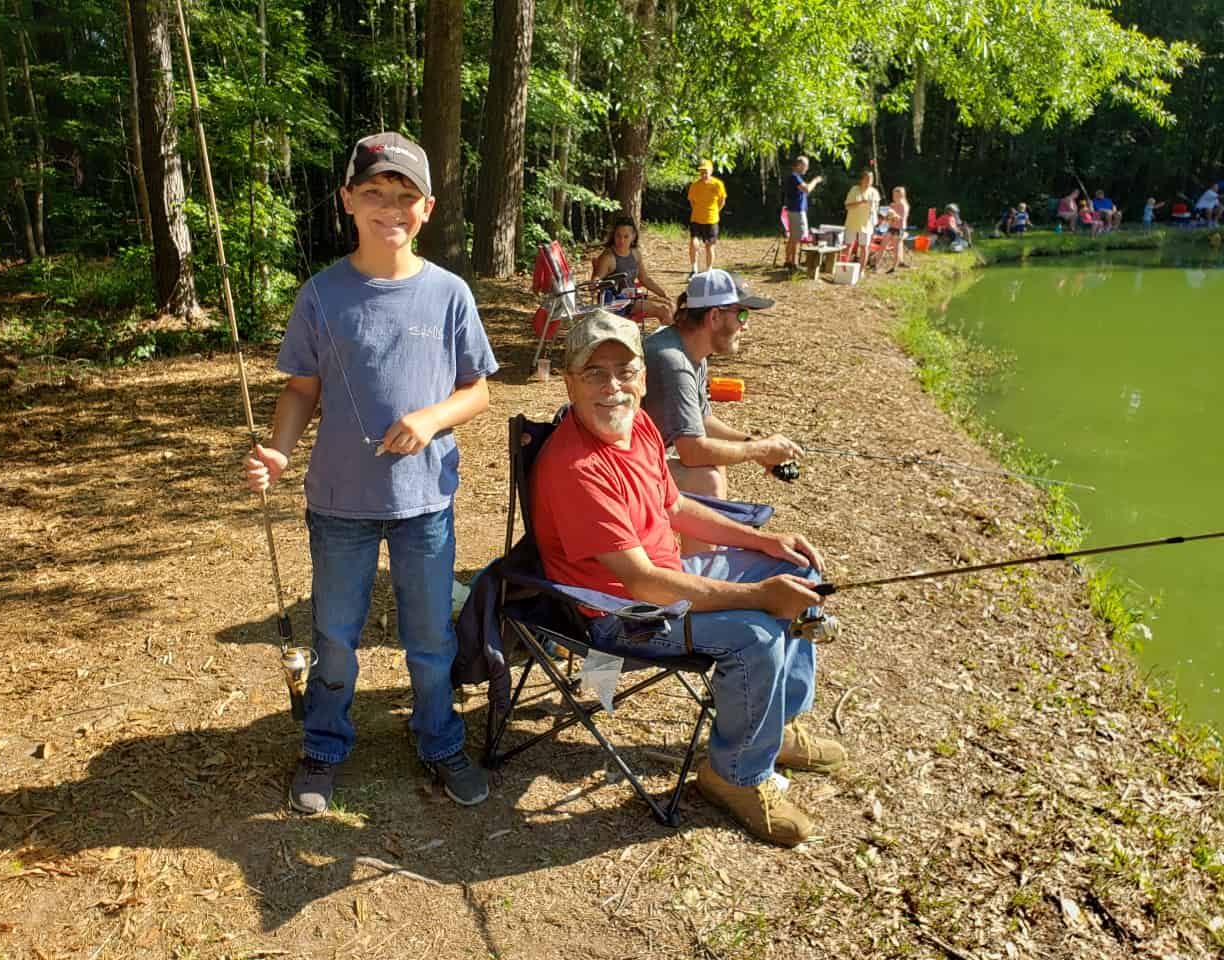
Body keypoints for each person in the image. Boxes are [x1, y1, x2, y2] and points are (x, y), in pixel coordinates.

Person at [242, 132, 499, 815]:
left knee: (430, 637)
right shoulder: (322, 294)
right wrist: (279, 450)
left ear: (429, 208)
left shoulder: (449, 295)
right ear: (347, 202)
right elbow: (300, 389)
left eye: (405, 197)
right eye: (375, 194)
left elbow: (478, 389)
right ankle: (325, 746)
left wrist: (433, 418)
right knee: (334, 635)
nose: (391, 208)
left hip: (426, 505)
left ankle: (440, 740)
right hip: (338, 505)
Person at [531, 308, 845, 847]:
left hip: (664, 577)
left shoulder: (639, 424)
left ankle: (776, 725)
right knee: (758, 632)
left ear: (643, 376)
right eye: (594, 373)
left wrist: (764, 543)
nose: (613, 387)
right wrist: (757, 597)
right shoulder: (578, 469)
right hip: (620, 616)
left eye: (625, 371)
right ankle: (735, 775)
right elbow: (644, 586)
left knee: (797, 570)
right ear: (568, 380)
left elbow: (673, 504)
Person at [643, 270, 802, 554]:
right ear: (714, 316)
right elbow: (692, 450)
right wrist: (761, 450)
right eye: (742, 315)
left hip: (636, 462)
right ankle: (704, 577)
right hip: (612, 473)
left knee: (712, 468)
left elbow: (702, 420)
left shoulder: (689, 351)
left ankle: (705, 561)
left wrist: (752, 444)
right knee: (707, 477)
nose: (746, 326)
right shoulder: (673, 361)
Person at [591, 216, 673, 326]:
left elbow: (644, 279)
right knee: (665, 311)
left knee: (670, 305)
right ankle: (662, 342)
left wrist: (663, 294)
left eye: (626, 236)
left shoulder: (635, 253)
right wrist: (595, 282)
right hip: (619, 302)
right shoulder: (608, 257)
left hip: (633, 297)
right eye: (618, 236)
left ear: (633, 237)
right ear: (613, 235)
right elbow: (597, 278)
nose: (621, 240)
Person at [687, 159, 727, 276]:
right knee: (694, 242)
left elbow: (722, 201)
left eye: (706, 171)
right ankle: (694, 269)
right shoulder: (695, 185)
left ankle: (709, 270)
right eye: (701, 172)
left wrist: (715, 211)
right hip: (696, 218)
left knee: (709, 246)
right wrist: (699, 211)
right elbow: (692, 202)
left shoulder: (717, 184)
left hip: (711, 219)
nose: (703, 174)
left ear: (711, 171)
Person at [782, 156, 823, 270]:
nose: (807, 168)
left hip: (794, 210)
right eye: (806, 165)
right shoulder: (795, 177)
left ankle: (788, 261)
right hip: (796, 211)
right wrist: (815, 180)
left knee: (792, 238)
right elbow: (807, 189)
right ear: (799, 165)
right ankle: (793, 263)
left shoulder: (796, 177)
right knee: (796, 238)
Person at [843, 168, 881, 270]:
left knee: (864, 247)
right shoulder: (854, 189)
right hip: (852, 223)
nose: (869, 181)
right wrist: (860, 202)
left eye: (871, 179)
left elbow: (876, 209)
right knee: (848, 246)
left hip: (867, 224)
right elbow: (847, 206)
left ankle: (861, 271)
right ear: (862, 179)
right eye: (867, 178)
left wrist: (877, 220)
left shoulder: (874, 192)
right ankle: (843, 269)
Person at [880, 186, 910, 270]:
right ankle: (899, 261)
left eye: (897, 195)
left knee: (897, 244)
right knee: (889, 243)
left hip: (900, 229)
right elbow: (887, 218)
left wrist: (892, 216)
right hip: (891, 228)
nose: (894, 197)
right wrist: (887, 218)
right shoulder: (892, 205)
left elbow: (900, 219)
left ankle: (898, 263)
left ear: (902, 196)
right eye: (894, 195)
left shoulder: (904, 206)